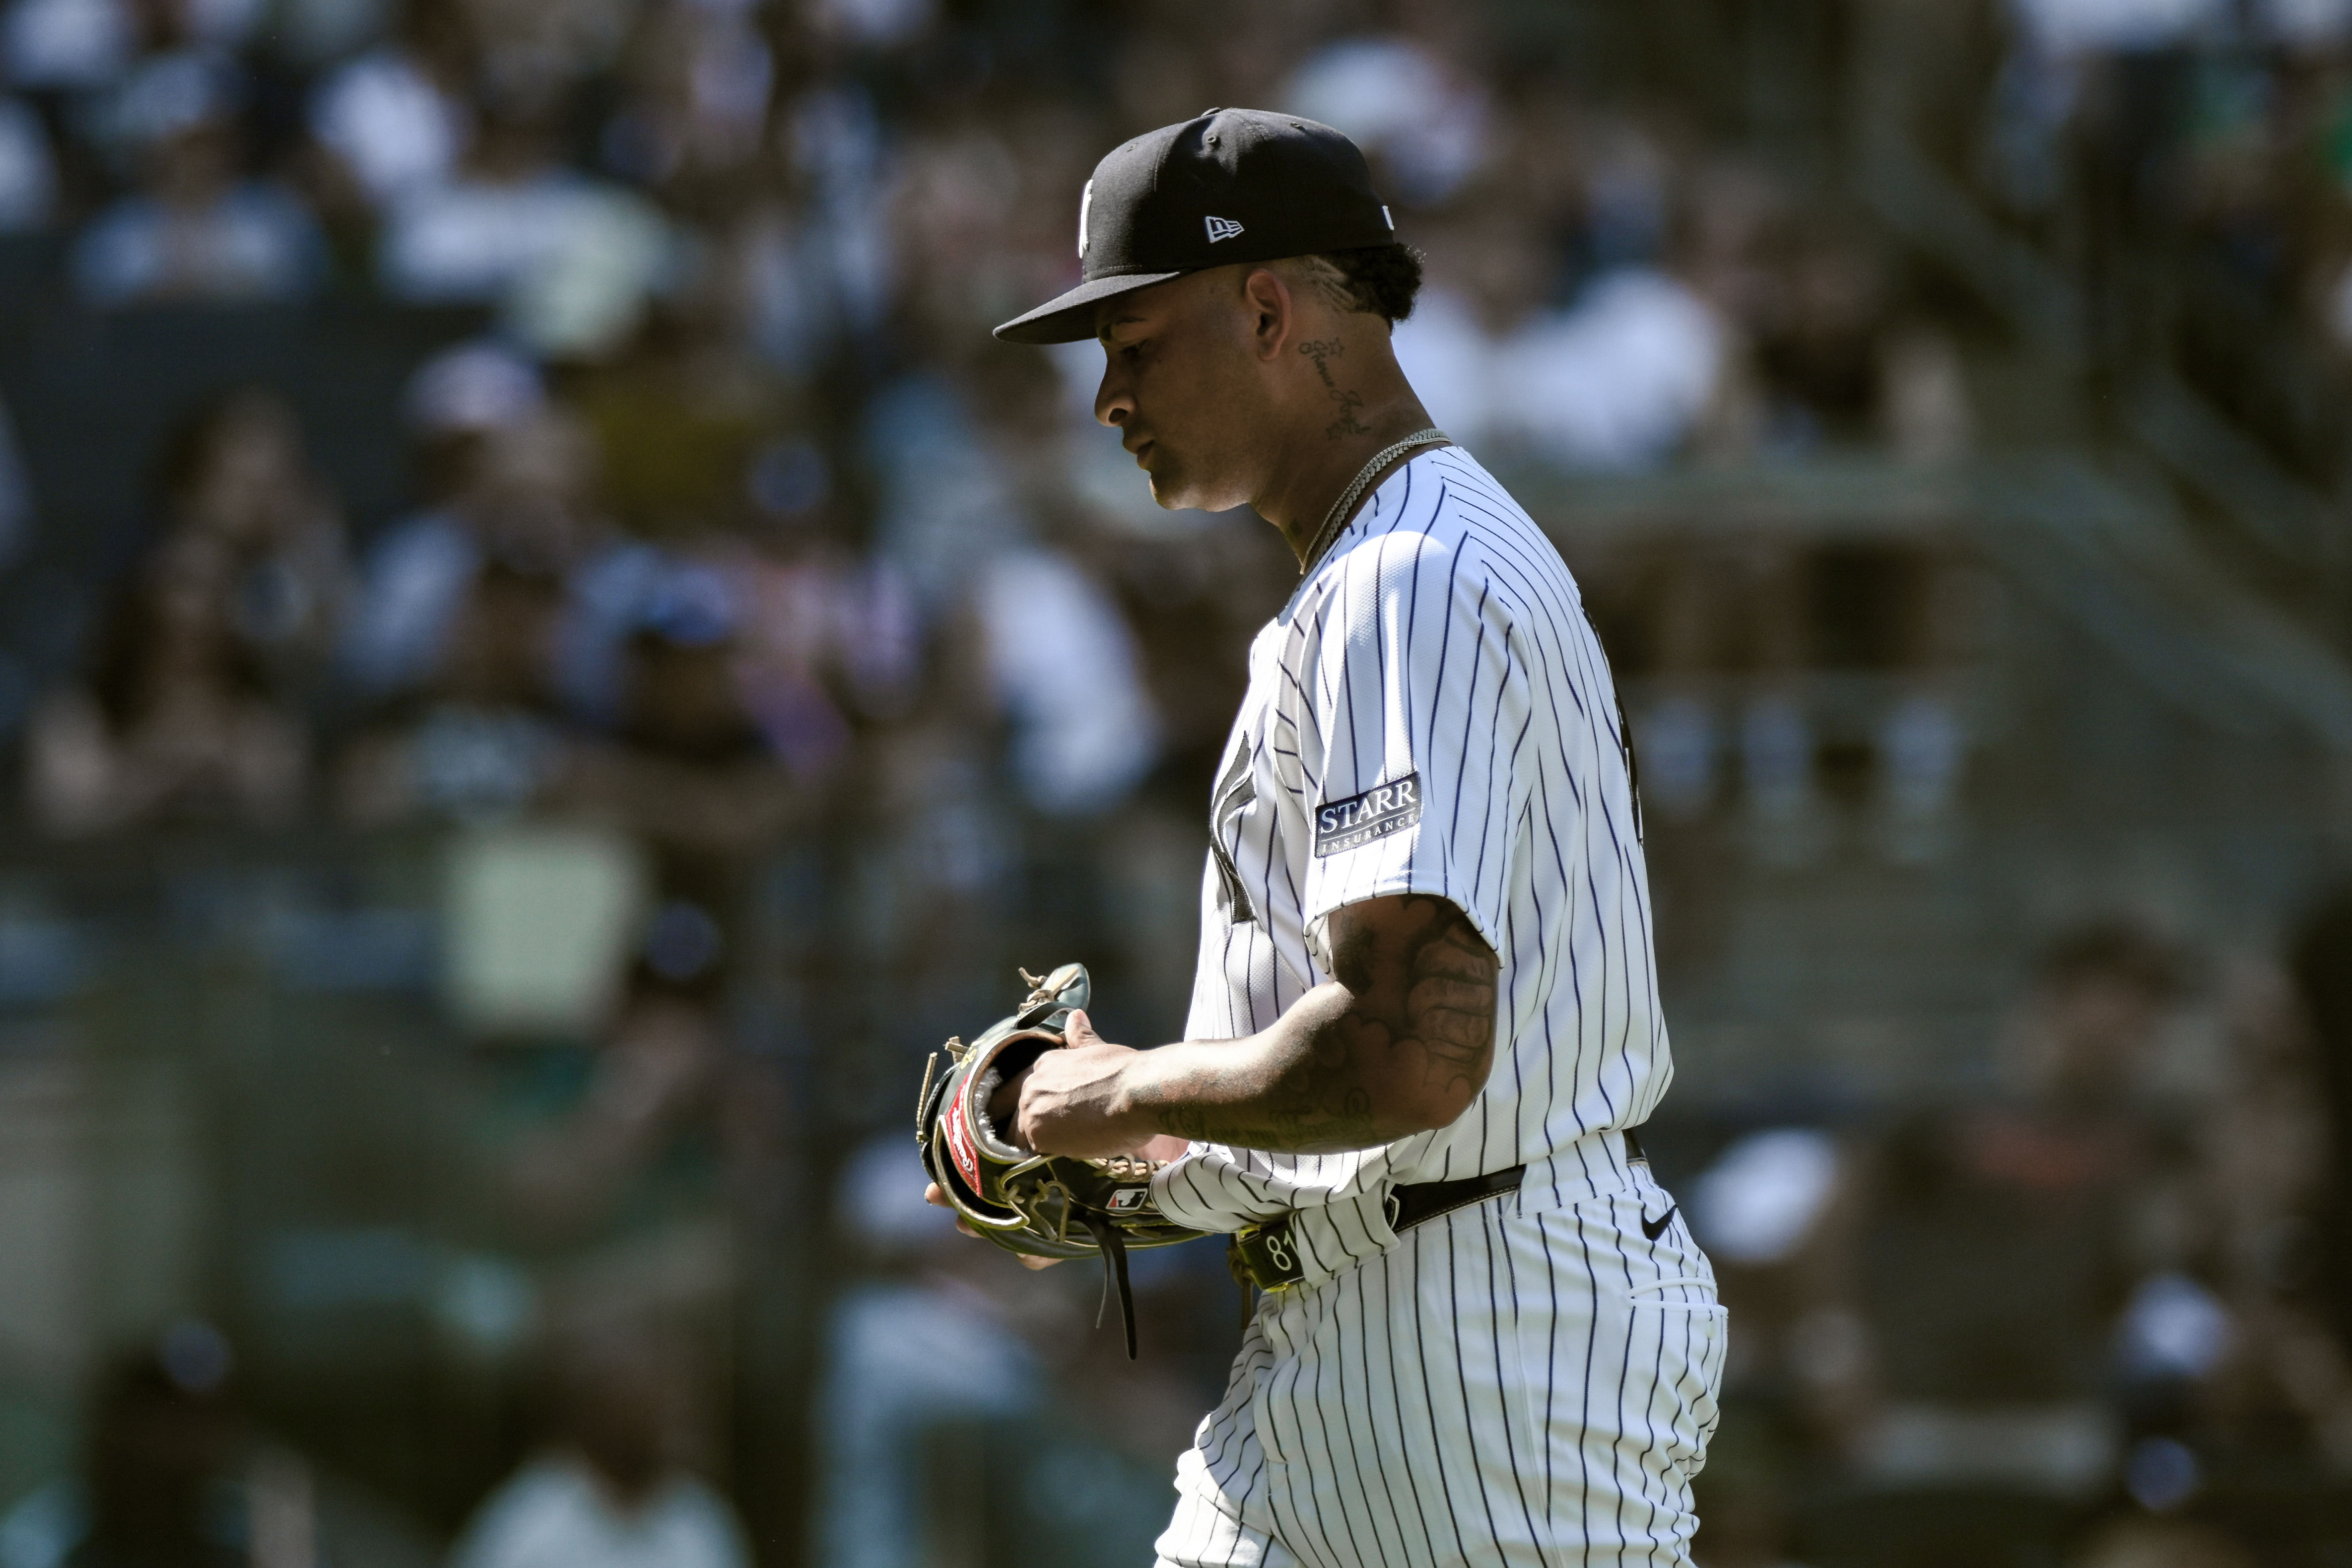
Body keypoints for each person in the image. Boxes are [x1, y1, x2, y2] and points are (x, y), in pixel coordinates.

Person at [946, 109, 1721, 1568]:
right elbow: (1364, 1099)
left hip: (1486, 1358)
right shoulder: (1395, 561)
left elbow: (1401, 1059)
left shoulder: (1404, 578)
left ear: (1265, 308)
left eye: (1134, 343)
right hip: (1380, 1322)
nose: (1106, 398)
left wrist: (1103, 1099)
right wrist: (1148, 1163)